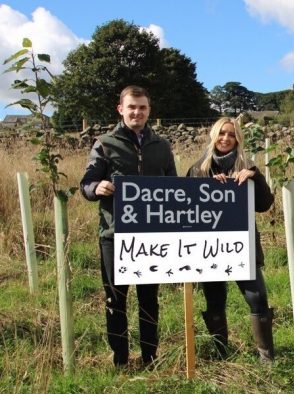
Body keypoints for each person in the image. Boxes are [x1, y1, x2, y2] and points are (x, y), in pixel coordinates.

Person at [80, 85, 176, 367]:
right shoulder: (105, 143)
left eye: (142, 107)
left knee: (149, 299)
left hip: (152, 237)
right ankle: (120, 358)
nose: (137, 112)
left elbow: (174, 188)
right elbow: (86, 183)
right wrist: (98, 186)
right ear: (120, 109)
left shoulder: (162, 146)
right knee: (115, 299)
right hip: (115, 236)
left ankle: (149, 356)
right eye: (132, 107)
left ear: (149, 110)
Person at [185, 117, 275, 361]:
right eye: (222, 133)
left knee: (256, 297)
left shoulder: (247, 166)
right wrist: (209, 186)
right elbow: (186, 205)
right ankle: (220, 354)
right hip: (209, 247)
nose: (226, 138)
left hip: (242, 244)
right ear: (214, 135)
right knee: (215, 299)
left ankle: (266, 357)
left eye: (232, 135)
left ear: (238, 139)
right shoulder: (198, 169)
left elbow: (265, 205)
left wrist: (255, 177)